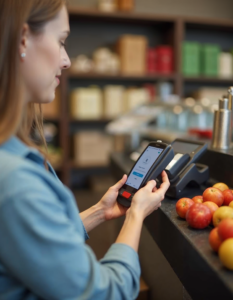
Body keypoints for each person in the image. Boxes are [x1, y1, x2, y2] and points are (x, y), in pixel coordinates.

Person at [0, 1, 170, 299]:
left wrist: (99, 212)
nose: (66, 61)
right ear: (24, 39)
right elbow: (107, 292)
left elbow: (35, 244)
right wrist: (136, 215)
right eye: (61, 41)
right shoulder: (16, 183)